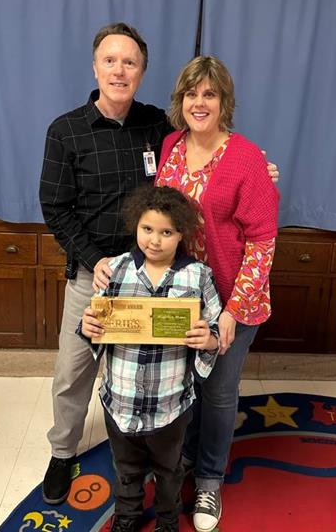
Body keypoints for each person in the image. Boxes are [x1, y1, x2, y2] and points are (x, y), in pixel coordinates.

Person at [39, 22, 279, 506]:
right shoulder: (93, 135)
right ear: (95, 66)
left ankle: (197, 475)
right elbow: (56, 208)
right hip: (126, 279)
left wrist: (262, 170)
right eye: (110, 60)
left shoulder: (194, 142)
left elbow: (256, 231)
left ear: (142, 72)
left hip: (203, 292)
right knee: (97, 374)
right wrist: (98, 259)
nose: (119, 70)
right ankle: (80, 454)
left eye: (130, 62)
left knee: (197, 386)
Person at [155, 55, 280, 532]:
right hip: (182, 295)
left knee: (219, 390)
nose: (199, 102)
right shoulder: (170, 146)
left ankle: (210, 478)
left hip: (233, 299)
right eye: (191, 93)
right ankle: (186, 457)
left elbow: (263, 243)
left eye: (209, 94)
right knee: (188, 384)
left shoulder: (247, 158)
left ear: (224, 101)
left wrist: (232, 312)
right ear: (180, 100)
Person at [79, 184, 222, 532]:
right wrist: (89, 328)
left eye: (166, 232)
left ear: (181, 234)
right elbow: (94, 323)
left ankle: (168, 519)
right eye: (147, 229)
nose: (154, 241)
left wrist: (209, 339)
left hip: (170, 402)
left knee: (169, 469)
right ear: (136, 226)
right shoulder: (116, 270)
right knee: (126, 468)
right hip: (121, 399)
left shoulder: (198, 275)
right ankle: (126, 516)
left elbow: (215, 325)